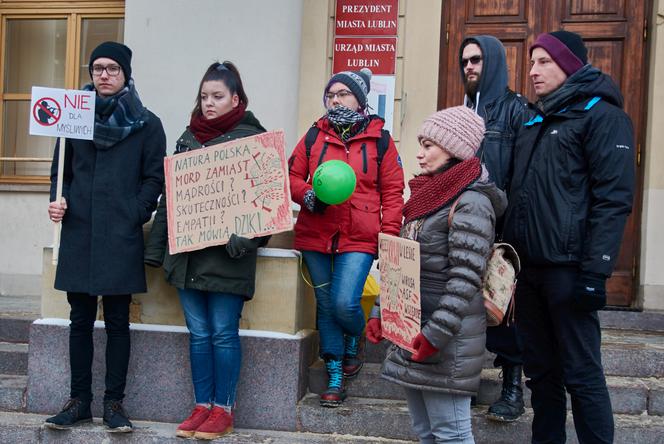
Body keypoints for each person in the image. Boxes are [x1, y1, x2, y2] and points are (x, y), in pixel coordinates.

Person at [502, 31, 635, 443]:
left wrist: (596, 273)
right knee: (541, 373)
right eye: (532, 62)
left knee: (581, 373)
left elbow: (612, 199)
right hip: (529, 270)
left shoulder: (602, 115)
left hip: (570, 271)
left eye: (544, 62)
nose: (533, 71)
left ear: (570, 65)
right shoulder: (536, 119)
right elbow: (519, 193)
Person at [44, 41, 166, 433]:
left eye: (113, 68)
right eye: (98, 68)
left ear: (126, 73)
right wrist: (57, 201)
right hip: (79, 230)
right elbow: (60, 173)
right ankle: (79, 401)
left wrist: (134, 212)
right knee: (79, 319)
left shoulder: (147, 122)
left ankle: (114, 403)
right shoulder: (70, 117)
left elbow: (154, 179)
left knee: (117, 320)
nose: (104, 75)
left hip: (120, 233)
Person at [144, 61, 269, 440]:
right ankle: (201, 405)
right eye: (204, 96)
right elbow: (170, 198)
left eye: (217, 96)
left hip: (227, 259)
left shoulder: (254, 140)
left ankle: (223, 410)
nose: (209, 103)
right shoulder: (187, 138)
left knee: (222, 334)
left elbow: (268, 204)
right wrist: (156, 250)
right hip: (187, 259)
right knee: (198, 335)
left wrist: (245, 241)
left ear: (236, 98)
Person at [367, 106, 507, 443]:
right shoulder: (425, 198)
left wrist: (435, 334)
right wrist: (382, 314)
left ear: (455, 149)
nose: (419, 154)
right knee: (425, 431)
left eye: (429, 145)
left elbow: (465, 280)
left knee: (452, 434)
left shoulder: (470, 201)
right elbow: (400, 266)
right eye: (421, 144)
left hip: (446, 341)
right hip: (414, 331)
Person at [289, 68, 404, 407]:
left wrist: (390, 235)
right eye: (331, 94)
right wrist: (307, 194)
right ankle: (335, 370)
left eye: (343, 93)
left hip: (360, 235)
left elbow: (393, 192)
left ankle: (355, 335)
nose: (335, 99)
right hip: (317, 233)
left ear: (360, 99)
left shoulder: (379, 138)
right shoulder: (314, 135)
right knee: (325, 305)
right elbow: (293, 175)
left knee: (344, 302)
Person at [459, 35, 531, 422]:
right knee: (464, 308)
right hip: (463, 228)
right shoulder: (458, 113)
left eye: (477, 60)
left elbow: (523, 176)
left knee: (505, 312)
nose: (470, 67)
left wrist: (510, 231)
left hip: (503, 232)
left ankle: (512, 390)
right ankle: (464, 382)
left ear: (495, 62)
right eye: (465, 61)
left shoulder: (517, 111)